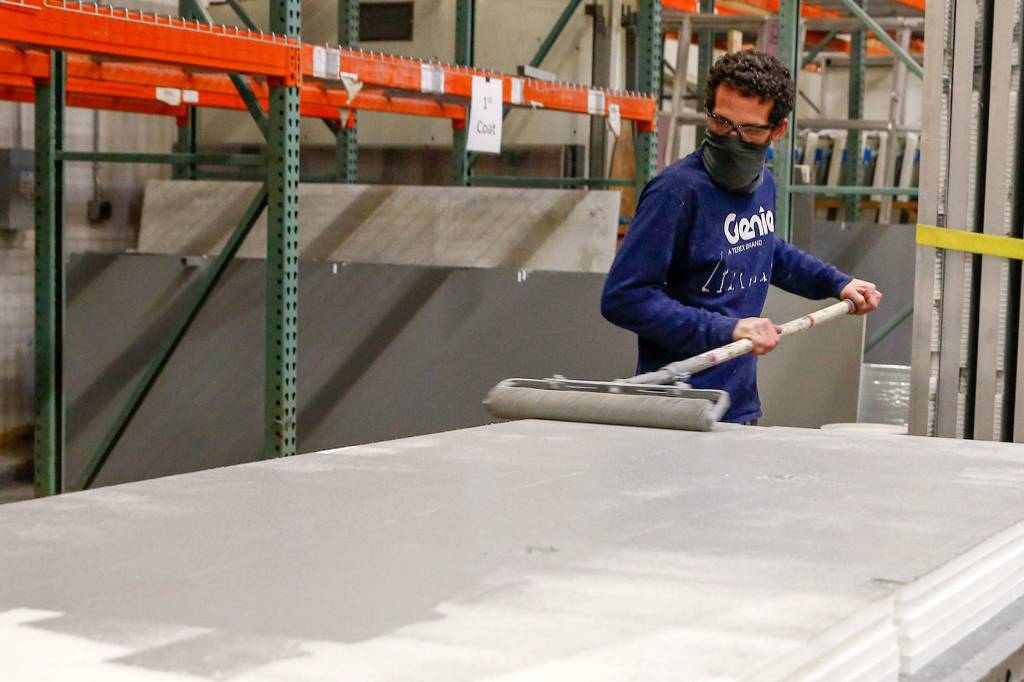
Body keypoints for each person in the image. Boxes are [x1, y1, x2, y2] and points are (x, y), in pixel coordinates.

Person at [601, 49, 882, 425]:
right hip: (677, 410)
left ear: (778, 130)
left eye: (749, 129)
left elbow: (766, 249)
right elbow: (624, 298)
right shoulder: (676, 194)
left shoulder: (762, 184)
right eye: (721, 122)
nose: (732, 138)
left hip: (737, 406)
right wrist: (728, 329)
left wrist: (837, 282)